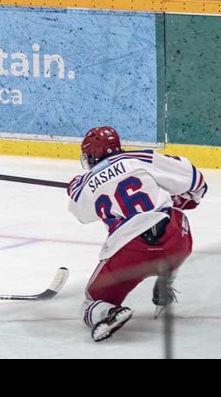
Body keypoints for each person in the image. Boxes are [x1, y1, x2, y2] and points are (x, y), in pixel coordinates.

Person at [67, 126, 207, 342]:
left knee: (91, 301)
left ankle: (109, 313)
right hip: (176, 242)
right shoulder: (140, 158)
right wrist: (185, 200)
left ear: (92, 155)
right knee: (172, 210)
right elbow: (196, 182)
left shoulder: (86, 183)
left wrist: (74, 187)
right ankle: (166, 277)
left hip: (130, 253)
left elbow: (81, 214)